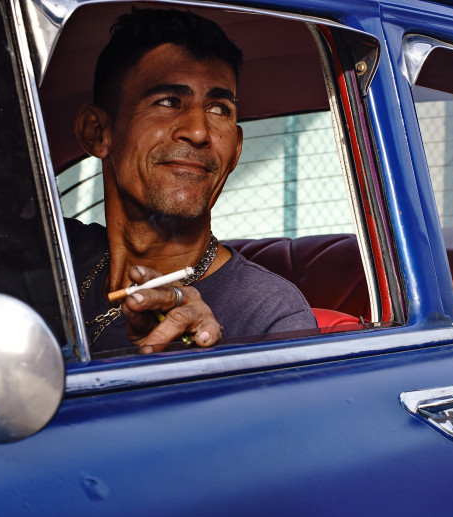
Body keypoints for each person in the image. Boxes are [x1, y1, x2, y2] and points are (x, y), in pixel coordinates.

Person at [70, 8, 317, 354]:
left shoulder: (269, 316)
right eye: (169, 101)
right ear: (98, 133)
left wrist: (197, 358)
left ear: (235, 150)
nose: (200, 131)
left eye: (219, 109)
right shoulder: (52, 253)